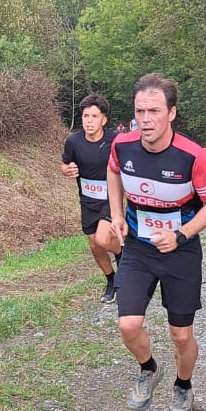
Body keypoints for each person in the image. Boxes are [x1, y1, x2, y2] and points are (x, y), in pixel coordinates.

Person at [108, 74, 206, 411]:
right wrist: (116, 213)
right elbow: (113, 172)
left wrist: (182, 235)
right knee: (128, 325)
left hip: (181, 251)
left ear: (171, 113)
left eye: (154, 111)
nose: (146, 119)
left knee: (181, 333)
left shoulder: (193, 156)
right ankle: (149, 368)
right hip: (138, 248)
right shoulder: (122, 145)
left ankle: (183, 385)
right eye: (140, 111)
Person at [61, 92, 119, 302]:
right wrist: (67, 170)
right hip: (87, 199)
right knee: (95, 245)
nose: (89, 121)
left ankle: (124, 255)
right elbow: (65, 164)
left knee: (103, 239)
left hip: (110, 199)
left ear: (103, 120)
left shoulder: (115, 141)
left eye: (94, 117)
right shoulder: (73, 141)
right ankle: (112, 279)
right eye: (86, 116)